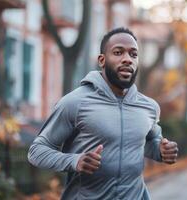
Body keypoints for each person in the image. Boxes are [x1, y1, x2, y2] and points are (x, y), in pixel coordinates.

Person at [28, 27, 178, 200]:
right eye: (118, 52)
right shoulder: (75, 103)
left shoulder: (148, 107)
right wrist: (75, 161)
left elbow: (148, 142)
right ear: (102, 60)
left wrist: (161, 150)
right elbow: (36, 151)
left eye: (133, 54)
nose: (127, 59)